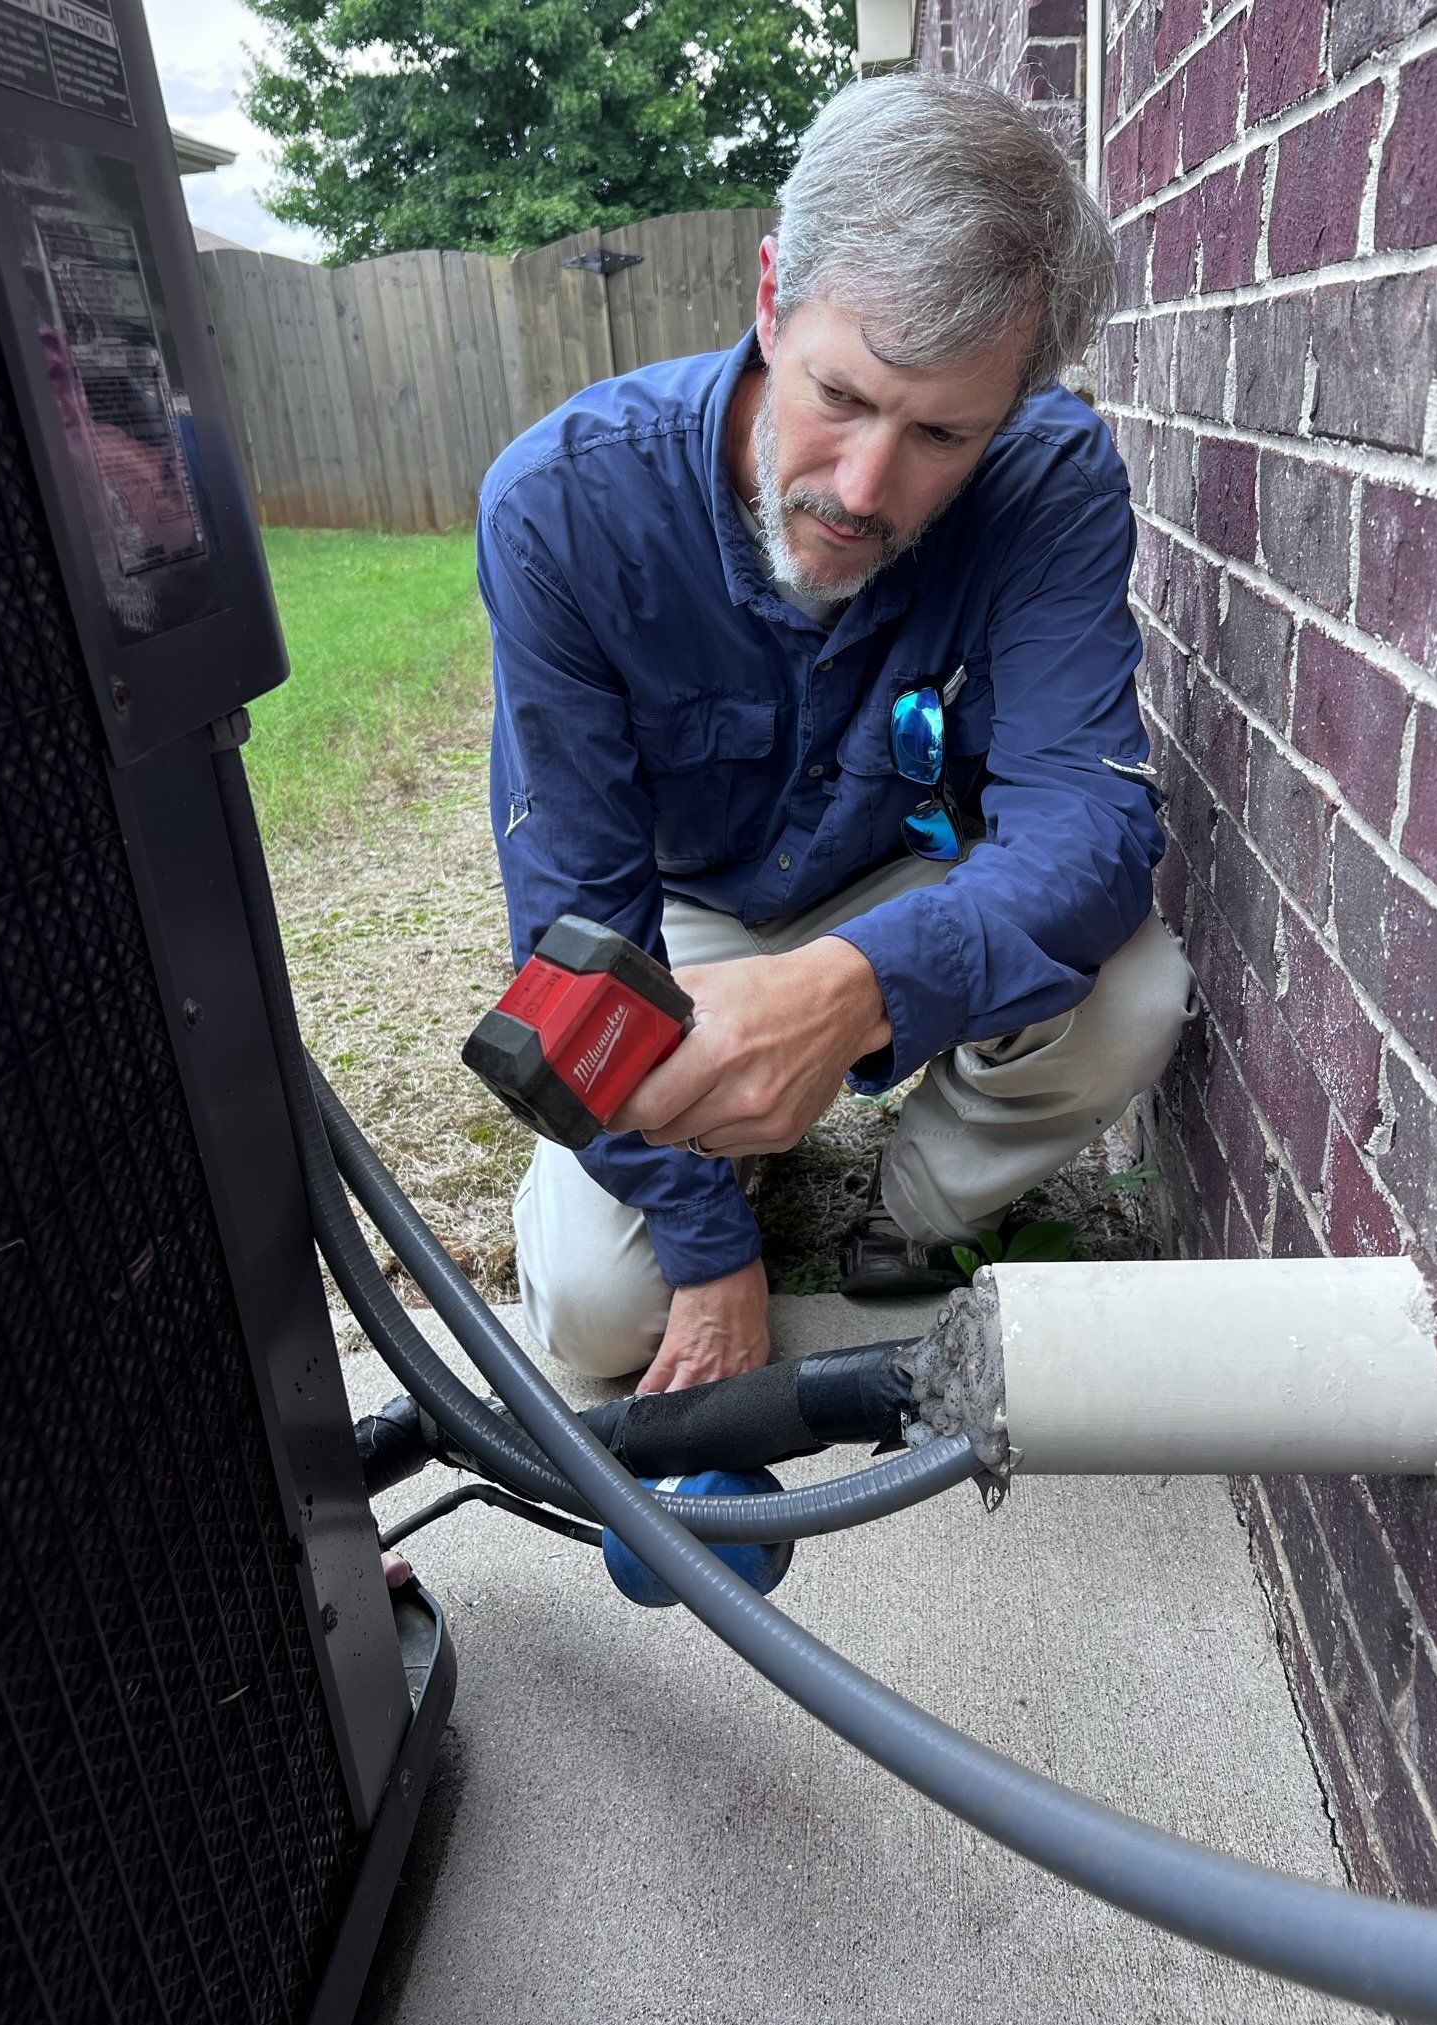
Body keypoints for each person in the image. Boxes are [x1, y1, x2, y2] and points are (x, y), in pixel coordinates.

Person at [476, 73, 1195, 1397]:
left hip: (904, 869)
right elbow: (575, 921)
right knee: (594, 1313)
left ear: (1017, 405)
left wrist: (851, 986)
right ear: (769, 298)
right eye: (840, 396)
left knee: (1136, 992)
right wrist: (707, 1254)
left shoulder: (1051, 479)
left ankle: (907, 1213)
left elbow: (1091, 827)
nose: (864, 490)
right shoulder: (561, 508)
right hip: (675, 916)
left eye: (941, 434)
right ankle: (727, 1165)